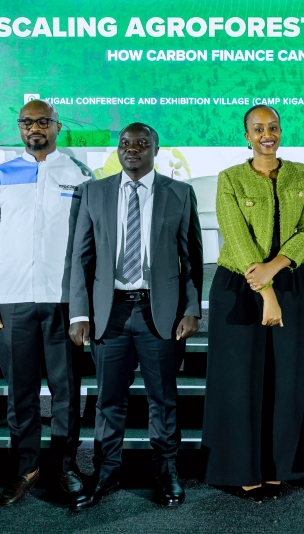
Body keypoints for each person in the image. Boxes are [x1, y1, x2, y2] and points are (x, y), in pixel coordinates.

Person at [67, 123, 203, 510]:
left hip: (158, 312)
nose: (132, 149)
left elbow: (191, 259)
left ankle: (166, 471)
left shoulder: (179, 194)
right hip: (109, 313)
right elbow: (81, 258)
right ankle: (106, 471)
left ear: (156, 149)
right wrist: (80, 312)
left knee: (164, 398)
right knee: (108, 400)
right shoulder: (93, 192)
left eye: (142, 143)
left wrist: (191, 308)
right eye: (125, 143)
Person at [0, 100, 92, 506]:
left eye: (43, 121)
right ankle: (25, 468)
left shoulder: (79, 175)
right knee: (19, 392)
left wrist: (84, 305)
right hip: (11, 302)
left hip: (63, 302)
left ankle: (65, 467)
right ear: (19, 127)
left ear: (57, 126)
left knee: (66, 391)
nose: (34, 128)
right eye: (26, 122)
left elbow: (89, 243)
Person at [203, 105, 304, 501]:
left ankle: (278, 466)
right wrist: (266, 290)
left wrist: (277, 267)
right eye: (258, 129)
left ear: (281, 131)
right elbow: (235, 236)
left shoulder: (302, 174)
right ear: (247, 136)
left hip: (293, 285)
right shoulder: (230, 178)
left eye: (272, 127)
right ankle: (242, 468)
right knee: (240, 381)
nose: (266, 134)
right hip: (240, 286)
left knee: (287, 379)